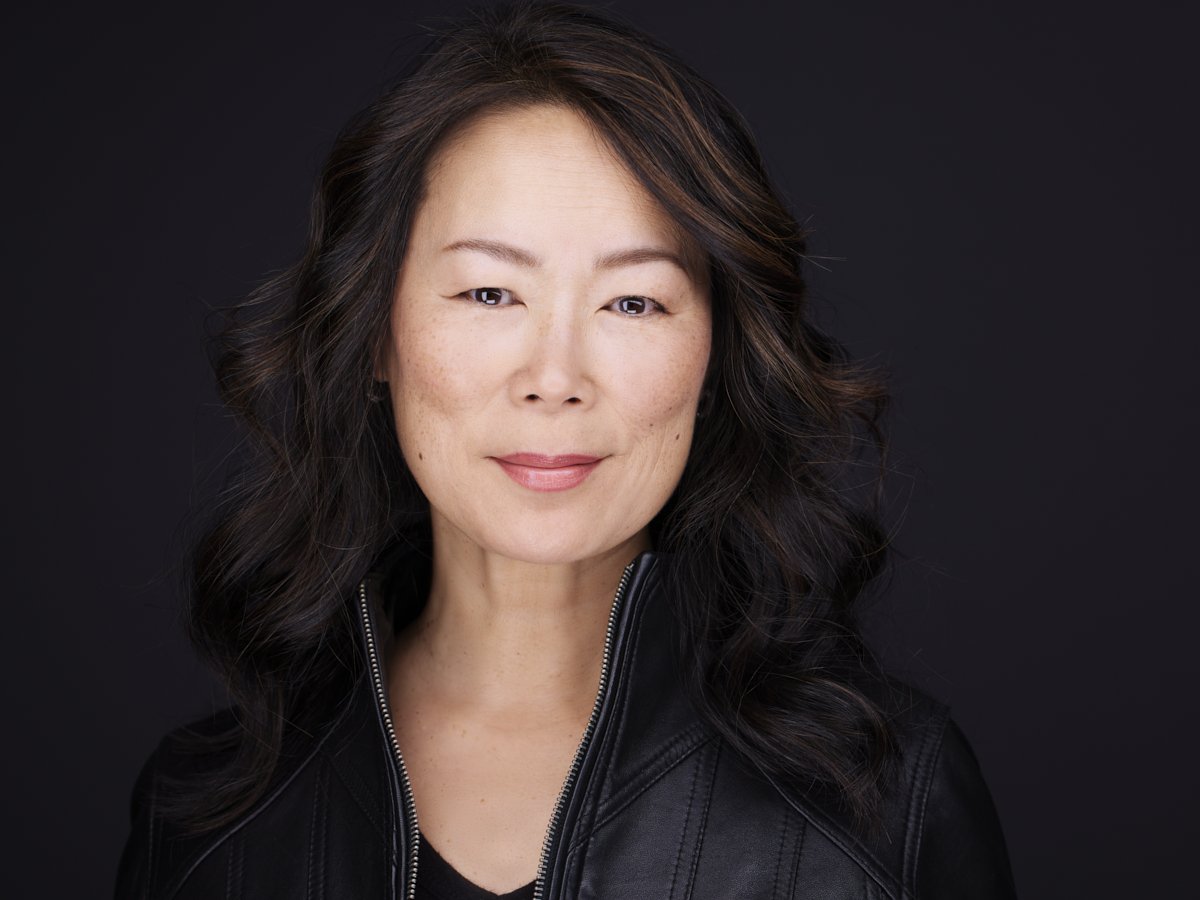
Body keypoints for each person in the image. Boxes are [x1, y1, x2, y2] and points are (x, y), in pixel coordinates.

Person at [115, 2, 1017, 897]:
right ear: (375, 337)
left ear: (714, 359)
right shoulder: (206, 817)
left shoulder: (888, 803)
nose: (555, 376)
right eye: (488, 294)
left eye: (633, 303)